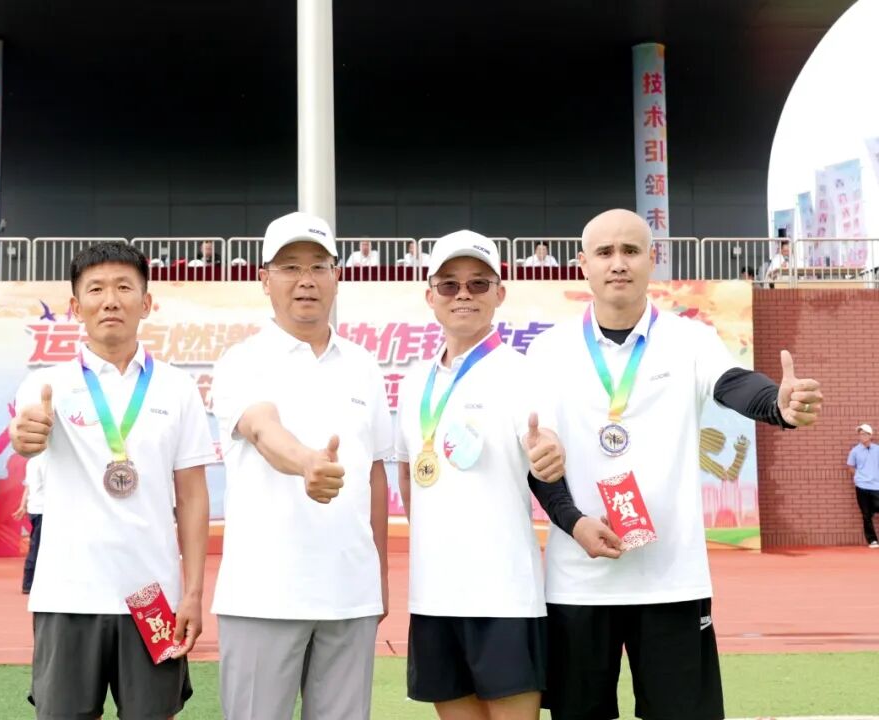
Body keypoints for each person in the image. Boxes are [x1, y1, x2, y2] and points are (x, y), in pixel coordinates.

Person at [527, 209, 824, 720]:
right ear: (582, 264)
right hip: (578, 581)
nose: (618, 263)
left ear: (652, 258)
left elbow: (735, 384)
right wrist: (575, 523)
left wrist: (778, 403)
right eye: (604, 252)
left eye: (630, 251)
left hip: (673, 581)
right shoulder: (548, 349)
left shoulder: (691, 339)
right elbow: (540, 461)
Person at [395, 231, 618, 720]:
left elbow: (545, 454)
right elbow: (409, 475)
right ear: (430, 296)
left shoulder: (523, 373)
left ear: (500, 293)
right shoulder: (413, 383)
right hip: (433, 597)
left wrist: (548, 458)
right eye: (449, 285)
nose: (464, 295)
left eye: (478, 283)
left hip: (504, 597)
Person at [10, 241, 212, 719]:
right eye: (96, 289)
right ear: (76, 306)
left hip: (152, 595)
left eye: (124, 287)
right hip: (67, 594)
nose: (110, 300)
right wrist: (25, 435)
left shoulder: (177, 388)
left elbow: (192, 496)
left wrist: (193, 593)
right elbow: (25, 434)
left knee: (154, 714)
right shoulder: (48, 385)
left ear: (146, 302)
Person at [210, 211, 391, 720]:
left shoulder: (364, 366)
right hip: (263, 594)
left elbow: (375, 474)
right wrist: (307, 463)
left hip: (349, 595)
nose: (306, 279)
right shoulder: (242, 360)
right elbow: (262, 429)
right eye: (289, 267)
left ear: (337, 276)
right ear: (264, 279)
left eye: (318, 266)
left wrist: (376, 578)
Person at [13, 453, 47, 593]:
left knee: (37, 546)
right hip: (43, 509)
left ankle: (31, 582)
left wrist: (23, 506)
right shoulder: (45, 460)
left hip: (36, 509)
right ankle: (28, 583)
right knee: (37, 547)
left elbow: (28, 487)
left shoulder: (32, 461)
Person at [847, 423, 879, 548]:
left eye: (865, 434)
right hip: (861, 486)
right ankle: (872, 540)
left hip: (876, 486)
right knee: (866, 514)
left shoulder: (877, 449)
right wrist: (859, 476)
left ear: (870, 435)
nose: (862, 436)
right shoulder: (855, 451)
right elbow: (850, 466)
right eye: (860, 434)